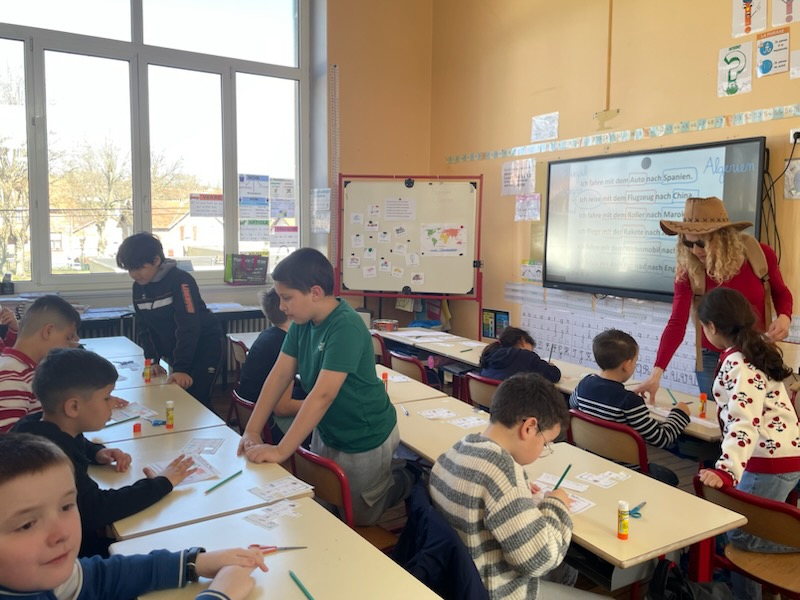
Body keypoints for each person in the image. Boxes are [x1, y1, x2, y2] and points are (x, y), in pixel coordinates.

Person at [237, 247, 414, 526]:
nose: (281, 306)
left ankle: (409, 477)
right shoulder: (302, 322)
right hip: (328, 428)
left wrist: (281, 450)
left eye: (287, 298)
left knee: (361, 516)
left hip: (364, 433)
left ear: (315, 293)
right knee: (326, 499)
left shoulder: (346, 326)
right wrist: (252, 429)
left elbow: (323, 395)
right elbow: (279, 375)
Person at [0, 432, 266, 600]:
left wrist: (194, 562)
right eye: (27, 525)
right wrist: (218, 595)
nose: (61, 533)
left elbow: (101, 576)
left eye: (66, 506)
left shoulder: (38, 577)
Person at [429, 373, 601, 599]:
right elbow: (540, 560)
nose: (543, 450)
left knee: (565, 570)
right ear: (529, 427)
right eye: (546, 443)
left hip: (456, 580)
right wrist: (555, 503)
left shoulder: (457, 449)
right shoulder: (502, 473)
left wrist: (517, 495)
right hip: (495, 590)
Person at [12, 347, 197, 558]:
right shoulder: (51, 459)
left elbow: (74, 440)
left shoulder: (36, 426)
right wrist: (162, 483)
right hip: (68, 556)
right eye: (106, 398)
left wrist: (97, 453)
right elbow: (97, 508)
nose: (112, 403)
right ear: (73, 407)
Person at [696, 287, 800, 600]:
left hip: (768, 463)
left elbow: (745, 422)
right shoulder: (750, 352)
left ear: (711, 327)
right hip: (780, 457)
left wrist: (726, 471)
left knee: (742, 537)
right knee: (750, 533)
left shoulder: (740, 363)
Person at [634, 196, 792, 401]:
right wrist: (656, 375)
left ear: (723, 237)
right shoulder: (688, 269)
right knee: (714, 414)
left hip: (757, 350)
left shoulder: (760, 255)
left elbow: (781, 293)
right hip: (712, 357)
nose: (695, 251)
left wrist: (784, 317)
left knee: (757, 412)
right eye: (687, 243)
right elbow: (677, 322)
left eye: (701, 243)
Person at [569, 329, 690, 486]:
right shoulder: (630, 402)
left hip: (591, 462)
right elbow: (661, 439)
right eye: (635, 361)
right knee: (669, 477)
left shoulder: (584, 384)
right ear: (627, 365)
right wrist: (680, 413)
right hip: (626, 473)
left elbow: (574, 406)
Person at [116, 232, 224, 407]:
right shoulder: (138, 287)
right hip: (178, 351)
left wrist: (181, 368)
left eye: (139, 268)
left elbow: (188, 326)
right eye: (130, 269)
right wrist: (152, 361)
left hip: (205, 346)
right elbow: (144, 327)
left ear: (156, 260)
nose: (134, 274)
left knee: (198, 400)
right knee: (179, 398)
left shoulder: (180, 280)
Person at [0, 295, 81, 433]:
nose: (71, 345)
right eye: (68, 337)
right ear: (48, 331)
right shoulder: (11, 377)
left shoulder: (33, 370)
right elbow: (10, 443)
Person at [237, 289, 308, 446]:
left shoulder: (267, 335)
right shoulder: (284, 345)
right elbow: (282, 408)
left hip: (252, 416)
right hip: (270, 426)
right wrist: (322, 406)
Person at [479, 326, 561, 383]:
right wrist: (549, 365)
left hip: (487, 401)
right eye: (531, 349)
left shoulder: (490, 353)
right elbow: (554, 375)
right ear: (523, 340)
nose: (531, 351)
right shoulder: (526, 356)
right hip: (512, 401)